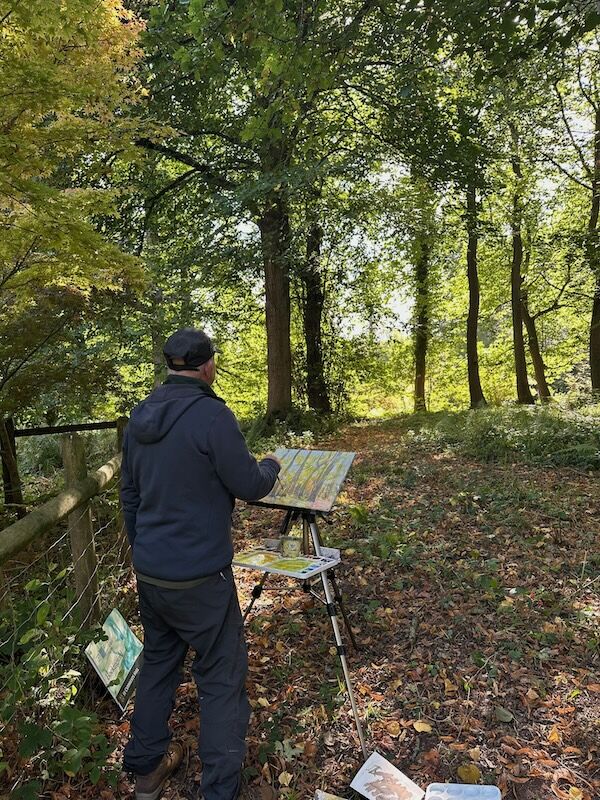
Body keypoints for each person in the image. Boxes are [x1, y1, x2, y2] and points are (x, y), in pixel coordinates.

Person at [120, 328, 281, 800]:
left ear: (170, 365)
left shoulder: (139, 418)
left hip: (152, 573)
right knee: (221, 679)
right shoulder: (212, 416)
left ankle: (146, 770)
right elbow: (250, 484)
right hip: (201, 579)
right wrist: (271, 465)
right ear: (207, 366)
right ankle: (220, 790)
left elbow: (130, 495)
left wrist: (145, 549)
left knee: (158, 666)